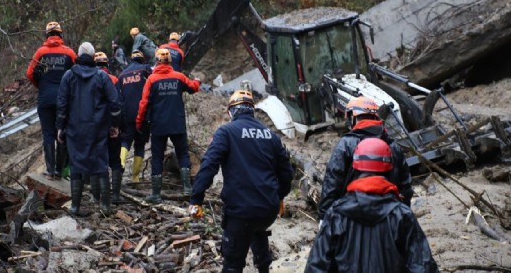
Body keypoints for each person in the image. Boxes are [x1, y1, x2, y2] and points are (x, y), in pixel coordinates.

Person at [189, 90, 294, 273]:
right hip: (267, 210)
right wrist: (279, 197)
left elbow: (209, 164)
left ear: (232, 111)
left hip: (241, 212)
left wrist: (196, 198)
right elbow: (286, 173)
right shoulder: (270, 135)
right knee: (257, 227)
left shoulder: (226, 132)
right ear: (251, 110)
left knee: (232, 263)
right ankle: (263, 266)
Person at [305, 138, 438, 273]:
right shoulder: (402, 215)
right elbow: (422, 267)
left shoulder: (336, 215)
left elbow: (316, 267)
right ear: (389, 170)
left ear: (355, 169)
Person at [318, 95, 413, 225]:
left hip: (351, 218)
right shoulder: (392, 146)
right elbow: (405, 186)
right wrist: (403, 214)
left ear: (353, 117)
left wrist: (324, 215)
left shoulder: (346, 144)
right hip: (389, 217)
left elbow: (332, 182)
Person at [56, 42, 121, 216]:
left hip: (74, 129)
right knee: (100, 164)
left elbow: (62, 104)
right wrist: (114, 124)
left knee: (76, 165)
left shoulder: (68, 76)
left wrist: (60, 127)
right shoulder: (102, 77)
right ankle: (106, 206)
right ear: (93, 58)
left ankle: (75, 207)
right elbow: (114, 102)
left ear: (78, 55)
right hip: (98, 128)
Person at [136, 48, 200, 201]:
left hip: (159, 125)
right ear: (170, 61)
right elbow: (193, 87)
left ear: (156, 61)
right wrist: (198, 80)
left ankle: (156, 194)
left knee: (157, 157)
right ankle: (186, 189)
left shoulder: (151, 80)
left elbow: (144, 103)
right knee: (183, 154)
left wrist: (139, 122)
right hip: (177, 123)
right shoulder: (179, 77)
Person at [26, 21, 76, 180]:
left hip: (45, 98)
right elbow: (78, 73)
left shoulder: (40, 52)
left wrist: (41, 85)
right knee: (62, 133)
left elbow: (29, 73)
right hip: (64, 100)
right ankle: (59, 172)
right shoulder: (69, 53)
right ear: (60, 34)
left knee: (48, 133)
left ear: (47, 35)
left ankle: (49, 170)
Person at [116, 50, 152, 183]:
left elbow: (118, 97)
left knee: (125, 142)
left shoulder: (122, 74)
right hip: (143, 114)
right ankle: (135, 177)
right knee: (140, 145)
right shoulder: (146, 69)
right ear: (142, 59)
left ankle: (120, 166)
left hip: (126, 115)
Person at [94, 51, 123, 204]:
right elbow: (118, 103)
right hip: (112, 127)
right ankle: (116, 195)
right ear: (106, 64)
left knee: (98, 160)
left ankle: (98, 196)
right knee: (115, 161)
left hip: (96, 127)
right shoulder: (114, 79)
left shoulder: (90, 80)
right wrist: (116, 125)